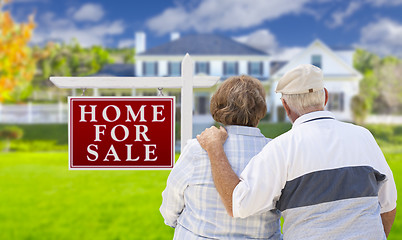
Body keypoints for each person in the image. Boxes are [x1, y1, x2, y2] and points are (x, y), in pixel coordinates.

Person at [197, 64, 397, 240]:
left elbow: (237, 204)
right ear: (325, 96)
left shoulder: (281, 149)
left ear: (285, 106)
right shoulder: (363, 137)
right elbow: (388, 207)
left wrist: (215, 149)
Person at [160, 75, 282, 239]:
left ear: (218, 106)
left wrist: (178, 224)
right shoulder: (276, 152)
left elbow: (171, 203)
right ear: (261, 109)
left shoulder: (197, 149)